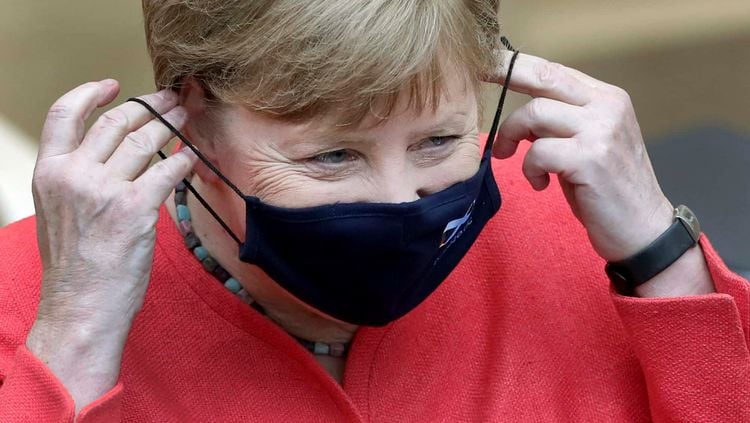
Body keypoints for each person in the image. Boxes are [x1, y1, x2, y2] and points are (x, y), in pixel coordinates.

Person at [0, 1, 748, 421]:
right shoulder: (34, 303)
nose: (398, 201)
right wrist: (74, 343)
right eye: (332, 155)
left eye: (439, 139)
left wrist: (667, 266)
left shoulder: (592, 233)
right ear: (189, 114)